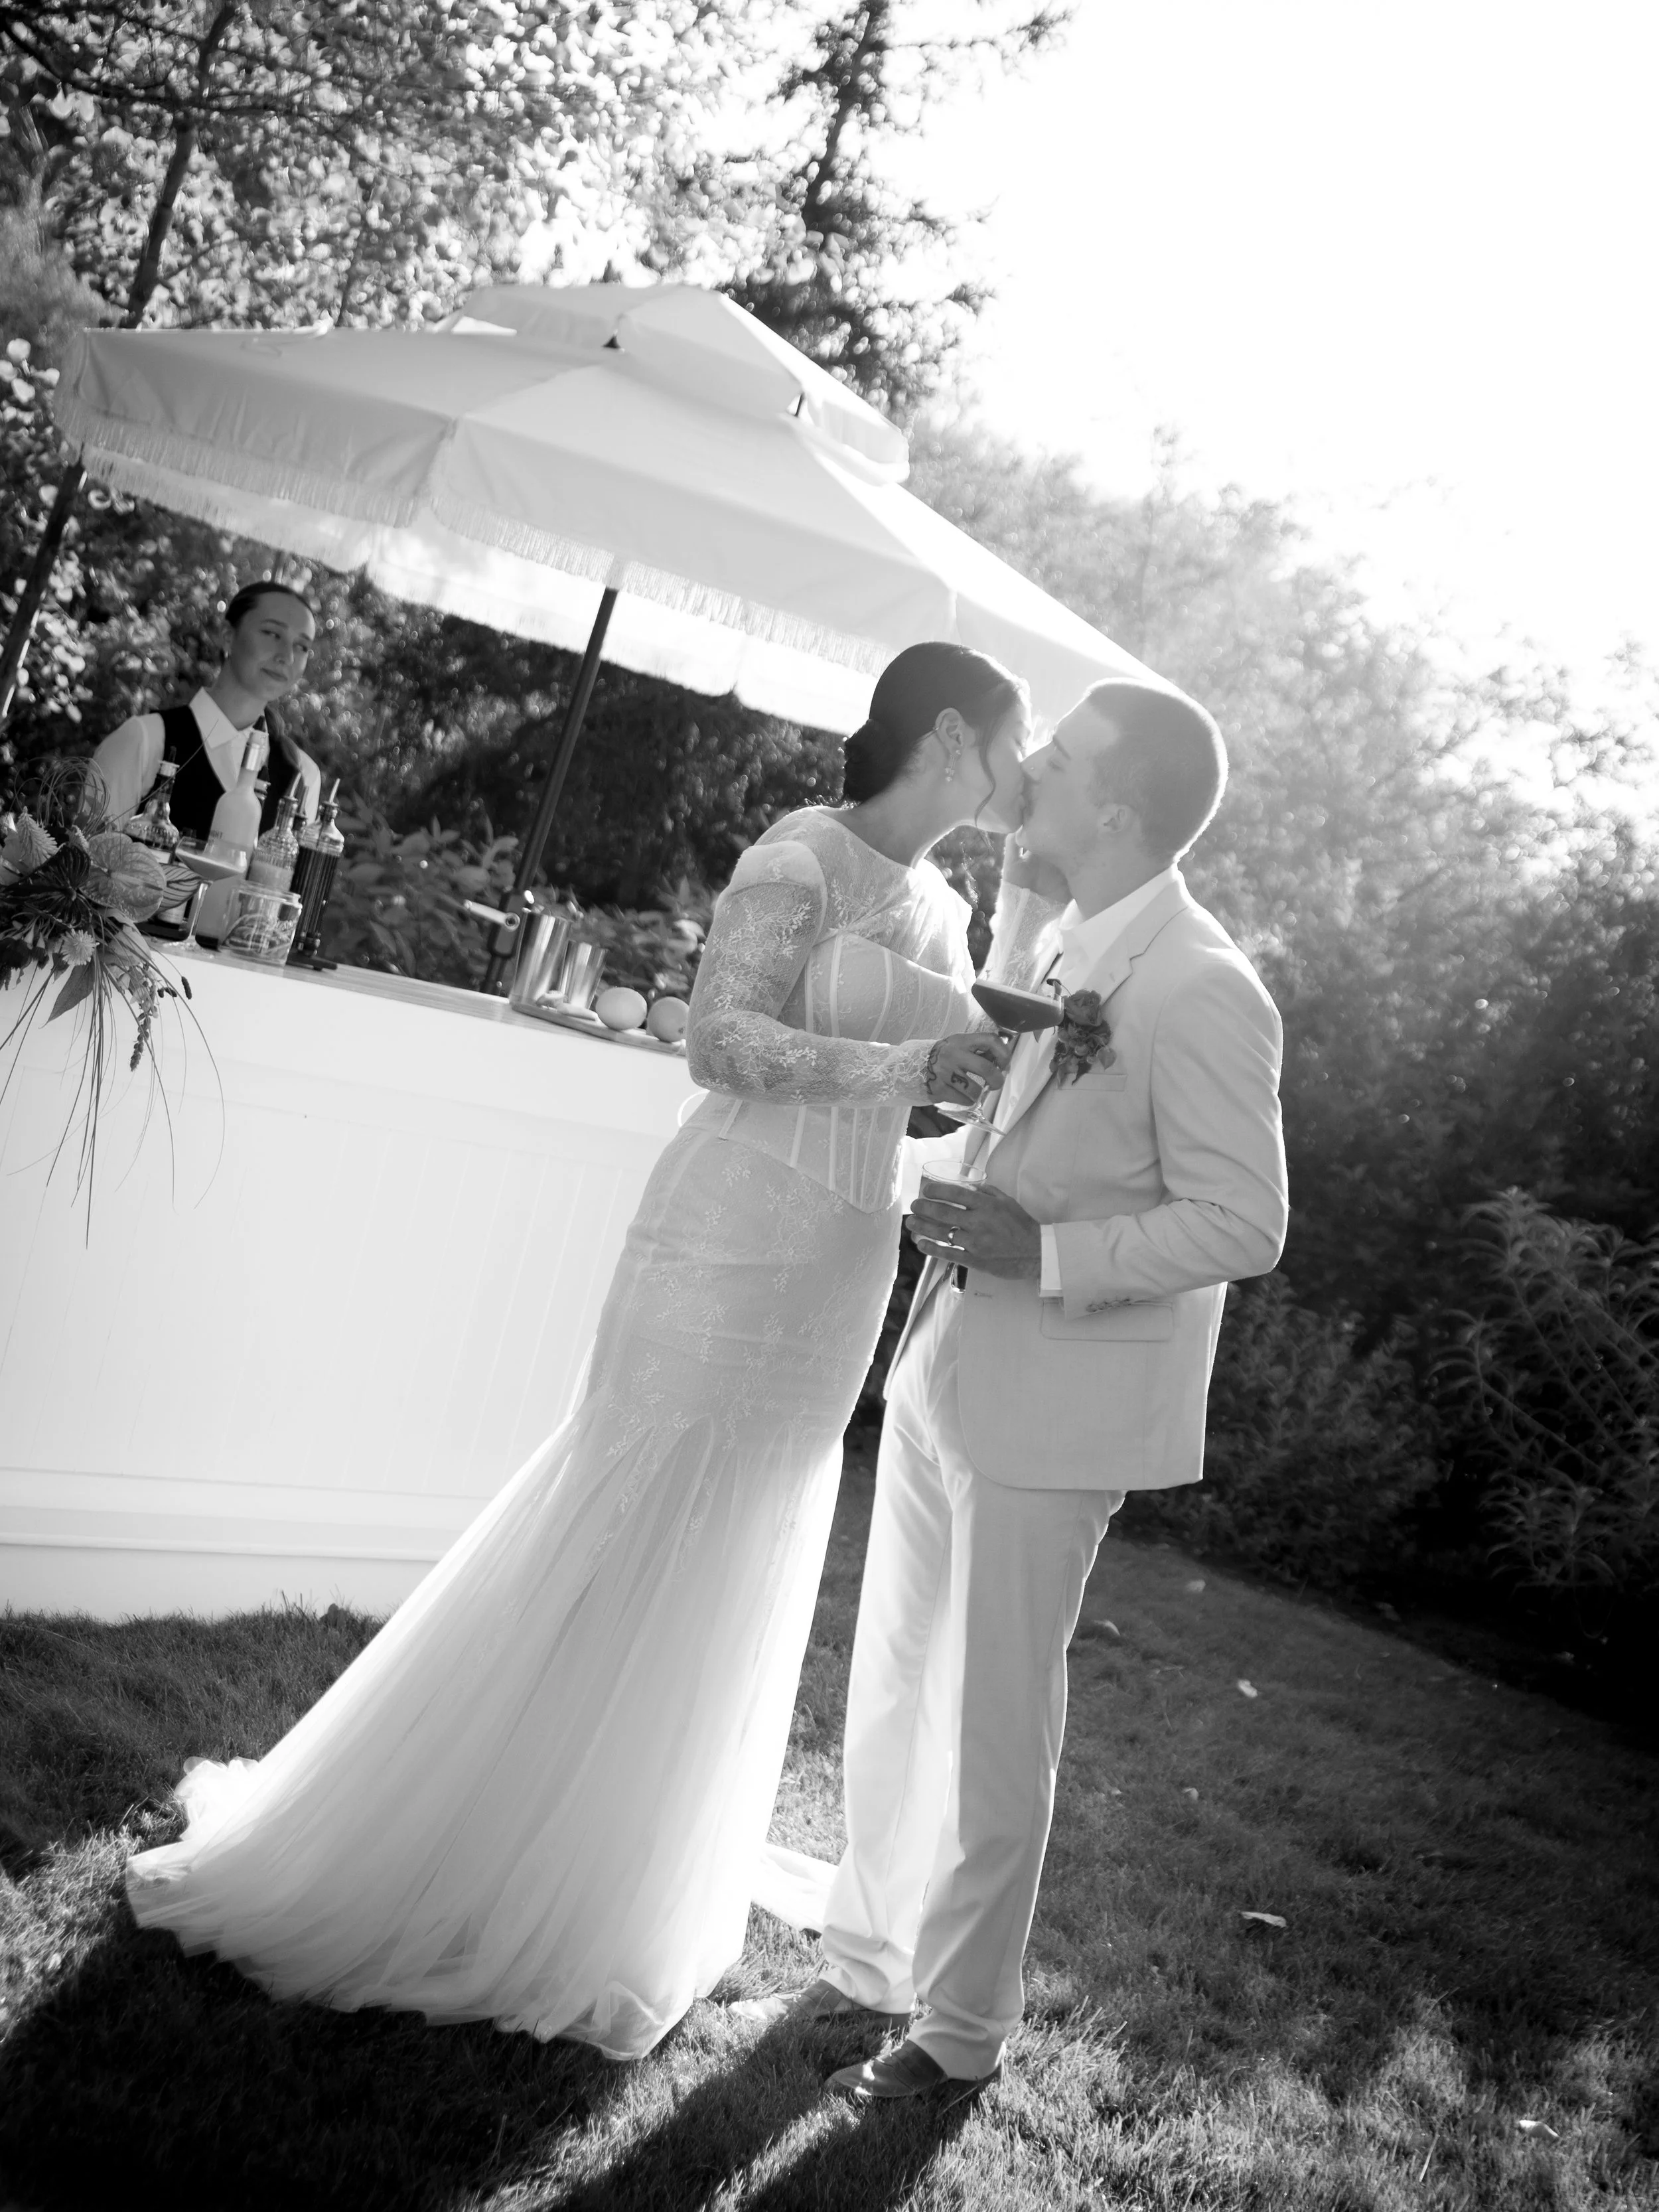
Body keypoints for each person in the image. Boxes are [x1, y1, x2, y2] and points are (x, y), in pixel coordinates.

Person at [125, 641, 1060, 2061]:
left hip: (838, 1264)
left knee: (740, 1544)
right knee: (627, 1514)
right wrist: (904, 1070)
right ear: (947, 733)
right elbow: (722, 1042)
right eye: (1013, 740)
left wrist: (958, 1102)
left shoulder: (951, 902)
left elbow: (922, 1095)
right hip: (726, 1232)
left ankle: (619, 1890)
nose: (1023, 766)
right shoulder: (798, 852)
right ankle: (451, 1851)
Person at [771, 678, 1288, 2103]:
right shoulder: (1063, 936)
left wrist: (1043, 1249)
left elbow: (1244, 1222)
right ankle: (860, 1959)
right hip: (948, 1351)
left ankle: (956, 2030)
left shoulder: (1199, 984)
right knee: (886, 1686)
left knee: (996, 1716)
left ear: (1113, 806)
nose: (1027, 773)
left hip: (1059, 1395)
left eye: (1052, 762)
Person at [92, 580, 322, 836]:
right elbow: (85, 866)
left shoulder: (302, 776)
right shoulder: (144, 741)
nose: (287, 656)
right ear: (228, 636)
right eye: (272, 634)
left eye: (302, 646)